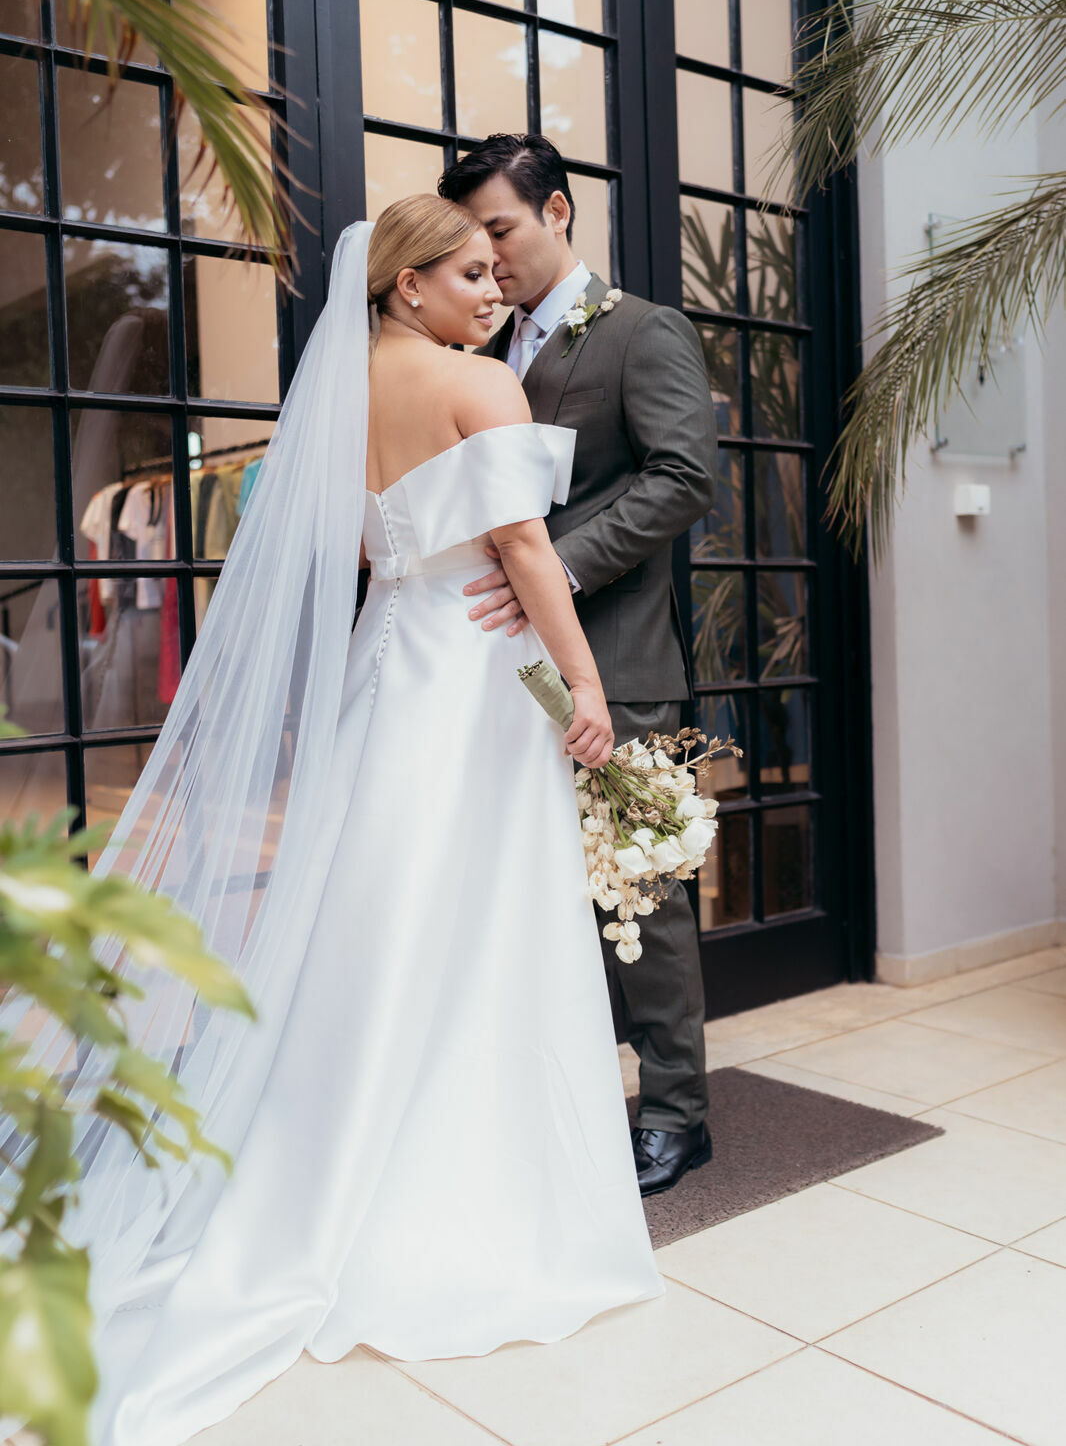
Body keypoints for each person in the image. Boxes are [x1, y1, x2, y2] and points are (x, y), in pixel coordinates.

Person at [1, 199, 663, 1446]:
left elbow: (374, 556)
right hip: (469, 688)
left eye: (495, 272)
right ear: (406, 285)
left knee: (371, 917)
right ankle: (463, 1184)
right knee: (480, 923)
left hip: (388, 668)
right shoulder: (481, 387)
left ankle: (326, 1146)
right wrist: (583, 681)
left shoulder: (337, 397)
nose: (493, 293)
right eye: (470, 274)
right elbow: (521, 544)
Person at [439, 135, 719, 1199]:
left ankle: (679, 1116)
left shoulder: (643, 331)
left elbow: (684, 477)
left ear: (557, 212)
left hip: (620, 654)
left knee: (642, 894)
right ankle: (553, 1094)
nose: (490, 257)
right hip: (503, 670)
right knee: (537, 891)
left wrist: (552, 566)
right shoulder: (482, 352)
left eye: (501, 230)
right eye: (471, 242)